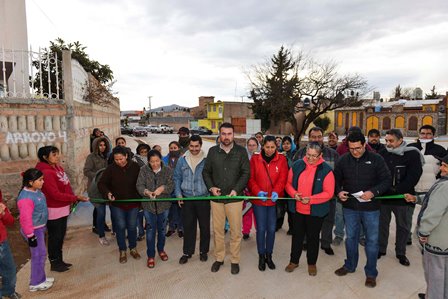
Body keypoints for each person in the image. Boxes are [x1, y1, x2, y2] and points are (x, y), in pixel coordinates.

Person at [333, 131, 391, 288]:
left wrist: (373, 192)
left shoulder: (376, 159)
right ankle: (350, 265)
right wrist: (339, 192)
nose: (355, 152)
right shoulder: (344, 159)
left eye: (358, 148)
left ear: (364, 144)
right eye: (351, 149)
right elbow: (334, 180)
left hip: (371, 209)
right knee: (350, 238)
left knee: (371, 241)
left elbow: (387, 180)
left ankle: (371, 273)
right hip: (350, 208)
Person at [203, 122, 250, 275]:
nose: (226, 137)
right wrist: (211, 187)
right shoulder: (212, 151)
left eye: (229, 134)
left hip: (234, 199)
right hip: (216, 200)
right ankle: (219, 258)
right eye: (223, 134)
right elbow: (206, 172)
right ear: (219, 134)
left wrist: (237, 190)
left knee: (236, 232)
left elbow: (245, 173)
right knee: (218, 231)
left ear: (233, 134)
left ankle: (235, 260)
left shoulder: (241, 151)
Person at [35, 146, 89, 272]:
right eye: (54, 154)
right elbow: (54, 194)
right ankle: (54, 262)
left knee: (60, 236)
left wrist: (72, 199)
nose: (57, 156)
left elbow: (66, 186)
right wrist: (75, 197)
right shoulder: (46, 173)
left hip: (63, 207)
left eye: (57, 154)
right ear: (45, 157)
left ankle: (59, 260)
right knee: (55, 237)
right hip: (54, 209)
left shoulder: (57, 167)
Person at [285, 142, 335, 275]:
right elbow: (288, 184)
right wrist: (294, 194)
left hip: (315, 212)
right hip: (297, 210)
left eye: (314, 156)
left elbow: (329, 193)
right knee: (297, 237)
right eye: (309, 155)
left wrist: (311, 199)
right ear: (305, 152)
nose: (311, 158)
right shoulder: (297, 165)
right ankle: (293, 261)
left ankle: (312, 263)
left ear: (321, 155)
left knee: (313, 238)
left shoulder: (326, 170)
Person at [377, 129, 423, 266]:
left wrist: (397, 189)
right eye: (386, 141)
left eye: (391, 141)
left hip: (403, 197)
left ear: (400, 140)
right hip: (384, 197)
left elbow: (414, 176)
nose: (388, 143)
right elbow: (377, 173)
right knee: (382, 225)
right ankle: (381, 248)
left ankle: (401, 252)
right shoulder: (383, 153)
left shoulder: (412, 154)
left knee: (403, 226)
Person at [293, 127, 339, 256]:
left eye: (319, 136)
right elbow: (294, 174)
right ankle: (307, 242)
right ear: (309, 138)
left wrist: (336, 191)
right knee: (307, 221)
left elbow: (339, 175)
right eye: (314, 137)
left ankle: (325, 243)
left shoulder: (333, 154)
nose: (317, 139)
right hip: (306, 197)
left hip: (327, 195)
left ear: (322, 137)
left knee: (328, 220)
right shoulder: (300, 153)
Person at [248, 135, 288, 271]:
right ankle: (261, 255)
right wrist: (257, 191)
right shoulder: (255, 158)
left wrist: (276, 191)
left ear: (276, 146)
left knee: (271, 229)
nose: (270, 150)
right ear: (262, 146)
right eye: (267, 147)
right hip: (259, 200)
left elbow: (283, 178)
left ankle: (269, 255)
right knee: (261, 229)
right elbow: (250, 178)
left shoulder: (282, 159)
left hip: (273, 200)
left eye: (272, 147)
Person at [98, 146, 141, 264]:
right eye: (116, 160)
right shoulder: (111, 169)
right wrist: (108, 193)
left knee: (132, 227)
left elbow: (141, 183)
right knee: (120, 227)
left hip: (133, 203)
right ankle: (122, 250)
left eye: (121, 159)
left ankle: (133, 248)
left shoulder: (135, 167)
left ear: (126, 156)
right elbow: (102, 183)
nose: (119, 162)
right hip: (117, 204)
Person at [408, 124, 447, 245]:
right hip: (412, 186)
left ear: (433, 135)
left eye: (428, 133)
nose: (425, 136)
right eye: (423, 133)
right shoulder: (411, 147)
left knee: (427, 213)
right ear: (419, 134)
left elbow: (444, 169)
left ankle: (424, 234)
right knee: (408, 215)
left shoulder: (439, 150)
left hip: (430, 188)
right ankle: (407, 235)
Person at [174, 135, 210, 264]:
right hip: (187, 199)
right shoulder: (182, 160)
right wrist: (178, 194)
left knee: (205, 227)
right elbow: (177, 178)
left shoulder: (207, 159)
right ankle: (187, 252)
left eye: (197, 146)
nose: (194, 149)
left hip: (203, 198)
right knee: (189, 227)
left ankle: (203, 251)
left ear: (201, 145)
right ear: (188, 146)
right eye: (192, 146)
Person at [17, 169, 54, 292]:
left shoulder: (36, 191)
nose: (43, 182)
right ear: (31, 182)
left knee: (41, 254)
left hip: (39, 228)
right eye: (40, 180)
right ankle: (36, 283)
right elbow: (25, 219)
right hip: (33, 231)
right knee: (38, 255)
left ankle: (41, 278)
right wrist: (30, 235)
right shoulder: (26, 198)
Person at [416, 154, 448, 299]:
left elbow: (433, 213)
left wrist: (423, 233)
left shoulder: (445, 186)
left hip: (438, 240)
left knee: (435, 275)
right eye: (442, 164)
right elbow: (433, 197)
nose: (441, 168)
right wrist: (416, 198)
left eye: (445, 165)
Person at [136, 149, 174, 268]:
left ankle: (161, 250)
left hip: (164, 206)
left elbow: (171, 185)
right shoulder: (143, 170)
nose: (155, 164)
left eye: (157, 161)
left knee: (162, 230)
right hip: (149, 207)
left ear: (161, 160)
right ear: (148, 161)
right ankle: (151, 255)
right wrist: (146, 192)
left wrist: (162, 188)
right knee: (151, 231)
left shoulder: (167, 170)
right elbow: (139, 185)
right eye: (152, 162)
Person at [83, 137, 111, 244]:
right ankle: (101, 235)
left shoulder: (106, 156)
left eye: (104, 145)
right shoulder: (91, 157)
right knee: (101, 210)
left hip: (104, 188)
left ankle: (98, 226)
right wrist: (99, 176)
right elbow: (86, 171)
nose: (102, 147)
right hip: (95, 188)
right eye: (100, 145)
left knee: (99, 208)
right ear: (95, 146)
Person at [0, 190, 21, 299]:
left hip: (2, 241)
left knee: (10, 269)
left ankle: (8, 291)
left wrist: (3, 213)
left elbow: (10, 221)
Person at [163, 141, 184, 238]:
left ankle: (181, 228)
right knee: (170, 210)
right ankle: (171, 228)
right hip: (168, 189)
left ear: (179, 148)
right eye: (171, 148)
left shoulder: (184, 159)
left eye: (175, 148)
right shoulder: (164, 159)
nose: (173, 150)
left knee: (181, 209)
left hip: (180, 188)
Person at [276, 136, 296, 234]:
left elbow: (294, 167)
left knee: (290, 207)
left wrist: (286, 158)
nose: (286, 145)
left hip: (291, 185)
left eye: (288, 143)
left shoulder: (295, 154)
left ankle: (292, 227)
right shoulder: (278, 154)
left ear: (291, 144)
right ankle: (278, 225)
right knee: (279, 206)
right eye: (284, 143)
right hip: (280, 184)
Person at [133, 143, 151, 241]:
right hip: (139, 189)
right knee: (139, 213)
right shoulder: (134, 160)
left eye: (146, 152)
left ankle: (149, 231)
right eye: (142, 152)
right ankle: (140, 232)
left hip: (150, 190)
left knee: (148, 213)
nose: (144, 154)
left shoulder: (152, 160)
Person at [242, 137, 259, 240]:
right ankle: (246, 231)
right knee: (246, 211)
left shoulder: (261, 157)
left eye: (254, 145)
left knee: (258, 212)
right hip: (246, 190)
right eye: (250, 145)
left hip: (258, 191)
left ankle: (259, 230)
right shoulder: (243, 158)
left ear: (258, 146)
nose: (252, 147)